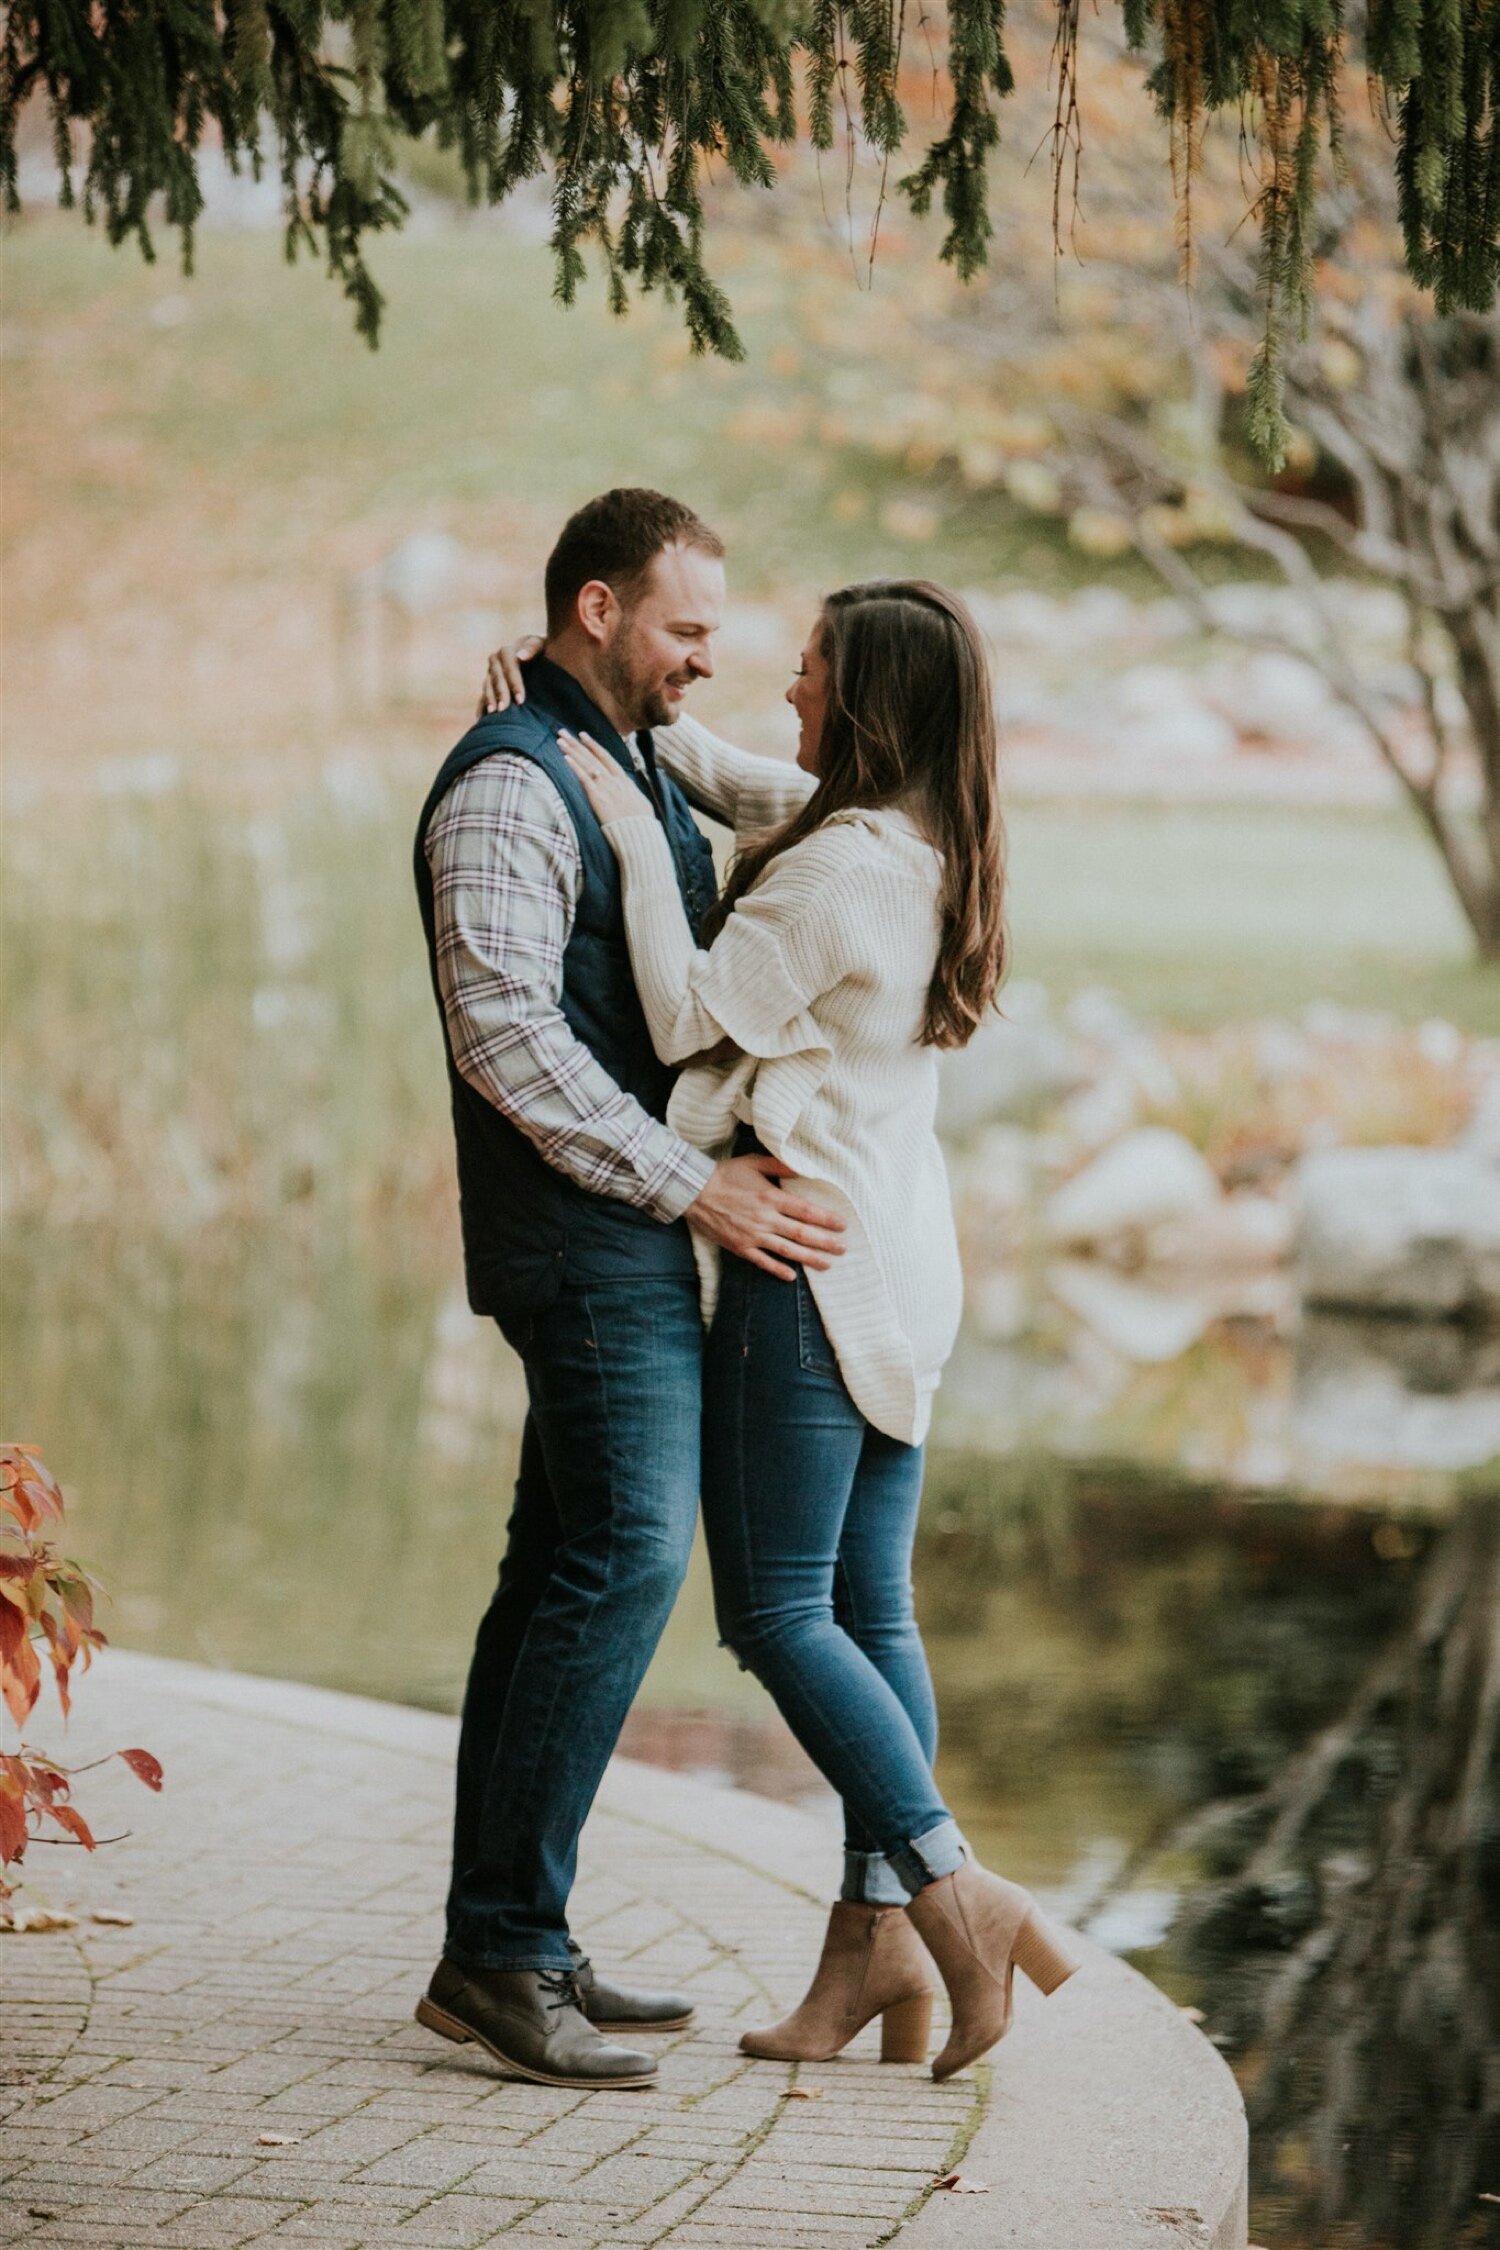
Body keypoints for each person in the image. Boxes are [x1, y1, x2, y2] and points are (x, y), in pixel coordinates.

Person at [480, 582, 1080, 2085]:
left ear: (863, 702)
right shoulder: (921, 835)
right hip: (904, 1249)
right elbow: (756, 780)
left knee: (779, 1615)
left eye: (810, 672)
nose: (786, 690)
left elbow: (688, 1016)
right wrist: (621, 729)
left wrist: (612, 819)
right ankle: (873, 1943)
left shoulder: (834, 883)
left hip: (810, 1257)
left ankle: (952, 1886)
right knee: (873, 1605)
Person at [412, 489, 846, 2091]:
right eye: (683, 628)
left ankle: (516, 1930)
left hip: (625, 1234)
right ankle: (502, 1951)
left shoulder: (628, 751)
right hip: (585, 1241)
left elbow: (812, 810)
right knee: (625, 1555)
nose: (706, 659)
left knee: (556, 1571)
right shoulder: (507, 789)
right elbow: (509, 1037)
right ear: (597, 608)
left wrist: (551, 692)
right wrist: (699, 1188)